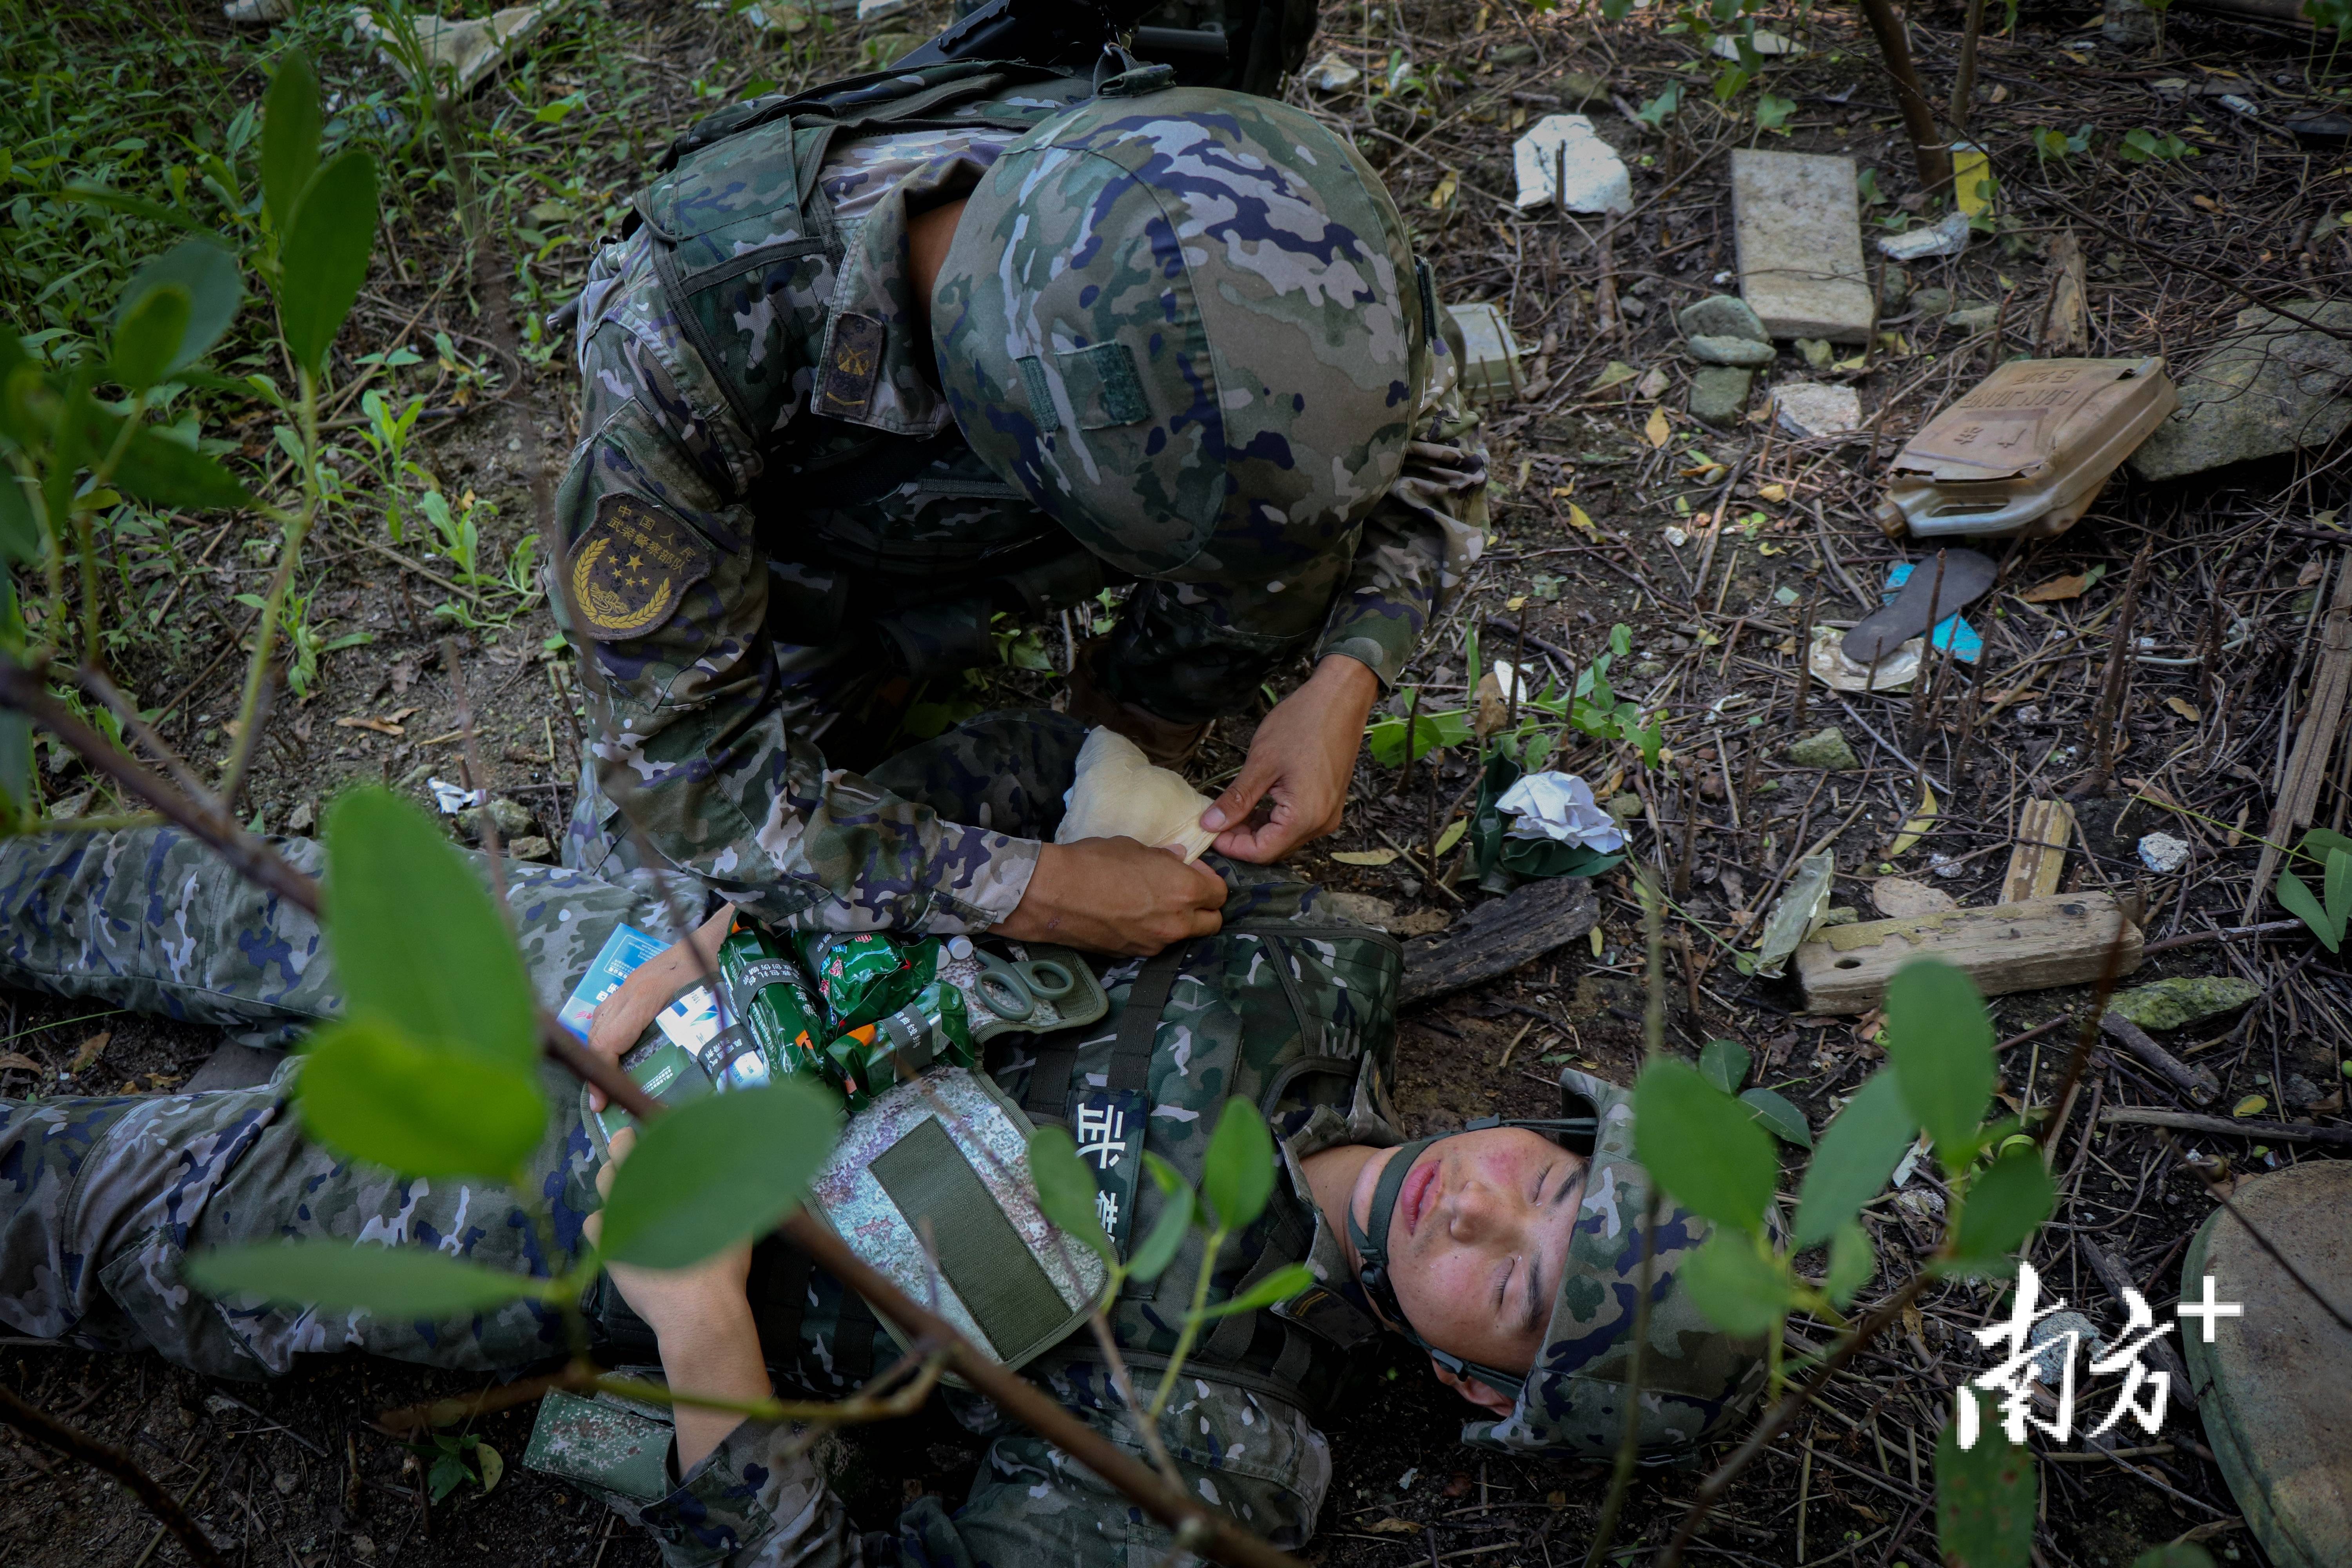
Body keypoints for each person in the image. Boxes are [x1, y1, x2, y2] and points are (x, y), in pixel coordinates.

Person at [0, 824, 1764, 1565]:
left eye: (1521, 1287)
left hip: (559, 1216)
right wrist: (720, 927)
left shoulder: (1212, 1435)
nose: (1481, 1212)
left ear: (1477, 1384)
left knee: (65, 1206)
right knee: (148, 887)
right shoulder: (1305, 972)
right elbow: (954, 832)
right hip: (624, 953)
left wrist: (697, 1316)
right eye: (1548, 1180)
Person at [550, 58, 1488, 958]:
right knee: (652, 897)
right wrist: (1036, 892)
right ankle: (885, 675)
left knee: (1286, 515)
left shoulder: (1242, 194)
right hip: (819, 583)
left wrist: (1345, 681)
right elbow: (694, 782)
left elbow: (1430, 453)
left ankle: (1130, 733)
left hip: (1032, 522)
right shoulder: (686, 335)